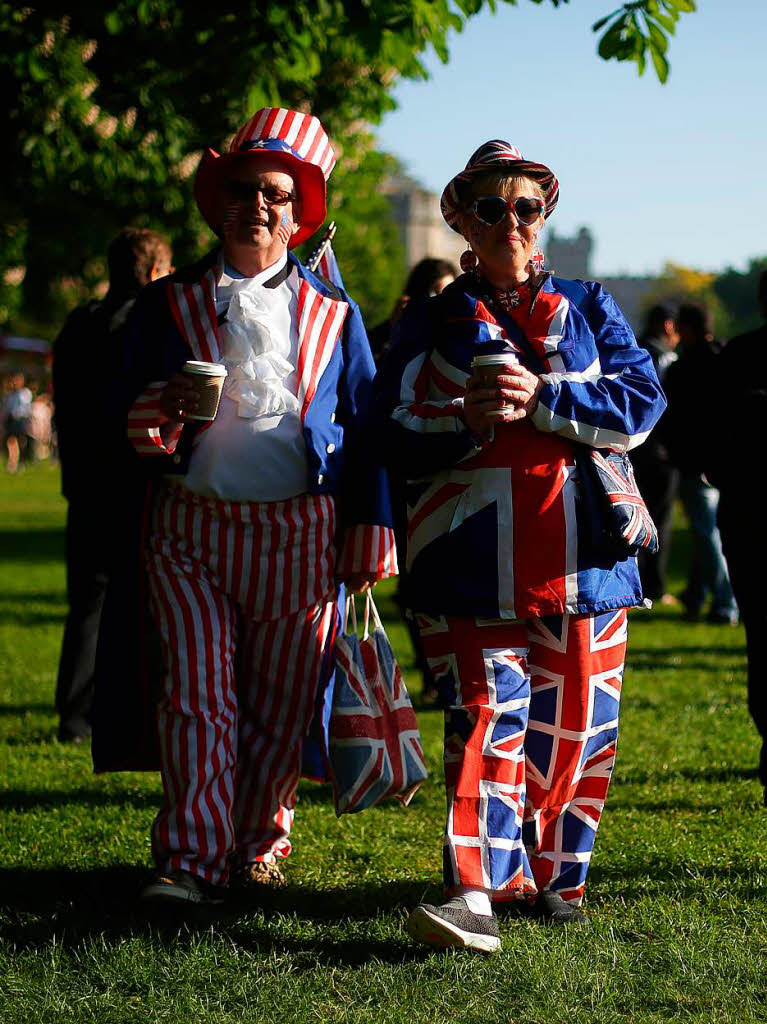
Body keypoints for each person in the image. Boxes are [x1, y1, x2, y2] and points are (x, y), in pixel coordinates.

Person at [92, 107, 397, 907]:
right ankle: (189, 858)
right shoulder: (166, 305)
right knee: (195, 695)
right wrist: (155, 411)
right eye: (241, 190)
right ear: (214, 204)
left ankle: (258, 843)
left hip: (303, 534)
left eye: (273, 193)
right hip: (188, 528)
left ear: (299, 216)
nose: (256, 206)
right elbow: (117, 410)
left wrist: (372, 524)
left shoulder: (338, 313)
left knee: (281, 704)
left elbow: (365, 428)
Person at [374, 139, 665, 952]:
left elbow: (641, 402)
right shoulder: (431, 321)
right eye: (491, 206)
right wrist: (462, 421)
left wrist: (544, 397)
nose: (511, 221)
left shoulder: (590, 304)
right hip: (471, 557)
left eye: (526, 207)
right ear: (458, 219)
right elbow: (386, 429)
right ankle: (474, 888)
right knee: (484, 719)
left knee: (574, 728)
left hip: (587, 557)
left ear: (544, 219)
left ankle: (557, 875)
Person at [52, 227, 172, 744]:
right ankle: (138, 711)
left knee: (85, 603)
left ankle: (73, 716)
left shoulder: (78, 324)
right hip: (134, 481)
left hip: (83, 480)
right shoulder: (150, 328)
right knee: (144, 603)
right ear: (152, 272)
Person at [704, 270, 767, 802]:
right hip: (749, 511)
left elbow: (706, 435)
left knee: (762, 636)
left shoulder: (738, 358)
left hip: (749, 511)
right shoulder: (738, 359)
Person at [664, 303, 738, 624]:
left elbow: (671, 415)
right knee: (705, 530)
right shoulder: (726, 359)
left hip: (696, 461)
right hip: (727, 459)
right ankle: (697, 595)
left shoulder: (686, 367)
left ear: (688, 329)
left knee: (707, 532)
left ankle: (726, 602)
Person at [631, 303, 679, 606]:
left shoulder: (632, 350)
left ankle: (635, 583)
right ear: (668, 326)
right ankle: (655, 587)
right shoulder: (665, 357)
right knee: (660, 521)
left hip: (634, 449)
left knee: (634, 518)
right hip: (660, 451)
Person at [368, 258, 457, 364]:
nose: (440, 304)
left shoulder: (456, 339)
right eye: (434, 295)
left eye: (447, 296)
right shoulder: (373, 340)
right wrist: (394, 331)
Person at [1, 373, 32, 472]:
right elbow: (7, 409)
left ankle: (21, 461)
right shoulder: (10, 395)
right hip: (12, 420)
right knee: (11, 441)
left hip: (22, 420)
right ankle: (13, 461)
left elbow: (26, 408)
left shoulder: (26, 393)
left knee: (21, 441)